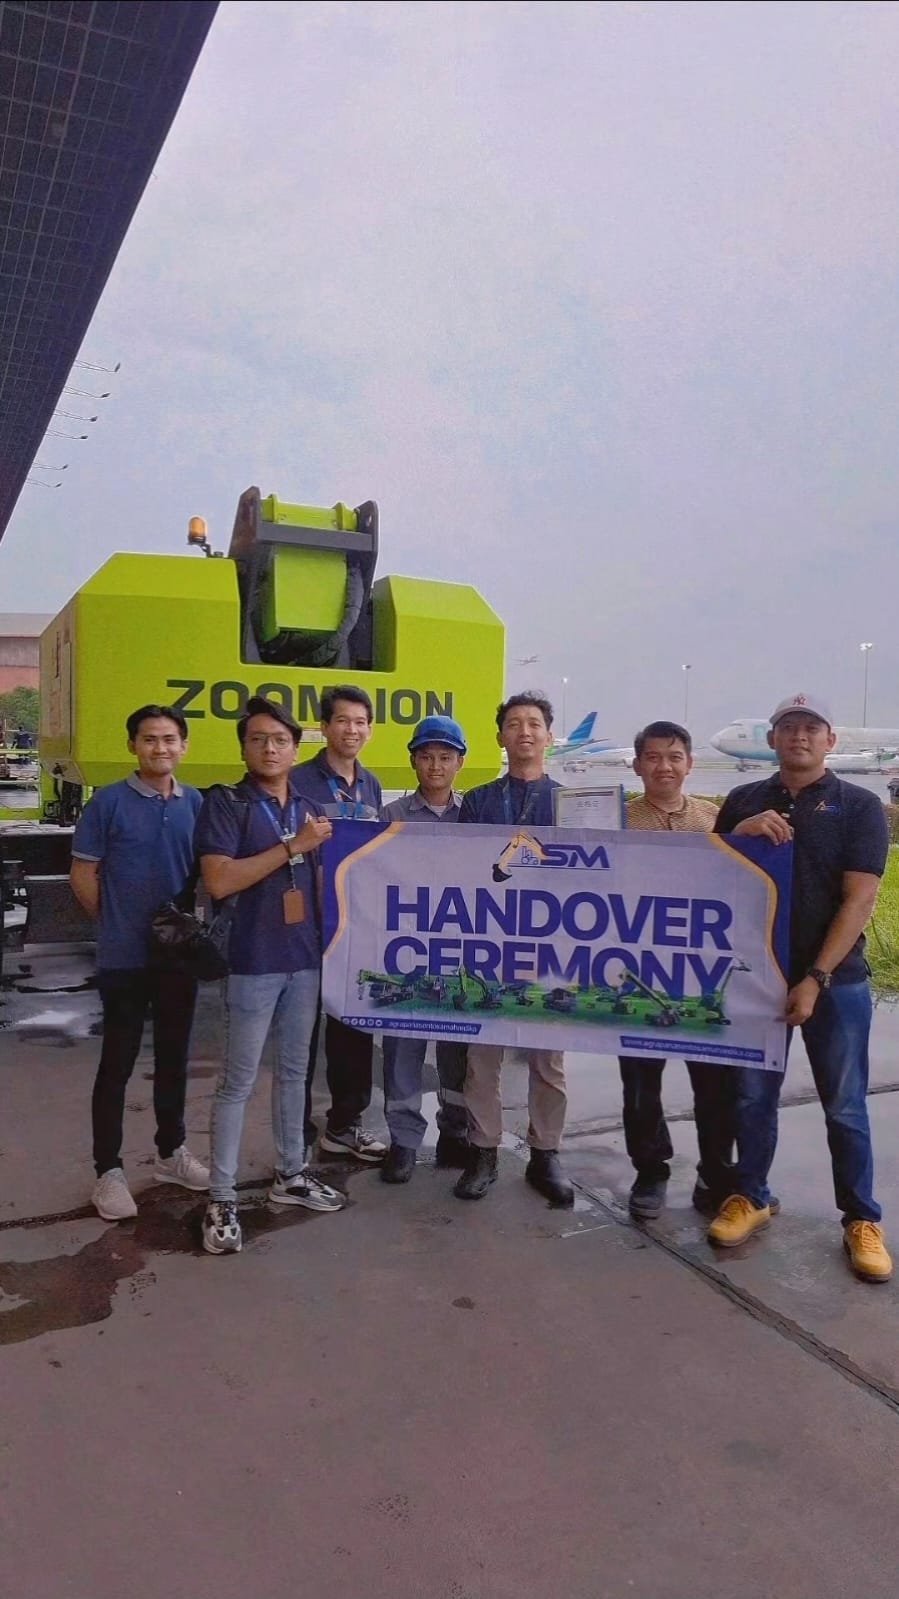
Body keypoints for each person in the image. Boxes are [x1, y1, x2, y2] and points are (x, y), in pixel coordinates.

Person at [710, 693, 892, 1283]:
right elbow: (712, 876)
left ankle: (861, 1218)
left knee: (845, 1105)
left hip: (836, 984)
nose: (800, 736)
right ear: (772, 739)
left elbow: (860, 899)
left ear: (830, 740)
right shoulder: (744, 799)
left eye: (811, 727)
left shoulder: (859, 806)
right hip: (757, 978)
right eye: (789, 727)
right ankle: (751, 1194)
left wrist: (815, 978)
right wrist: (738, 834)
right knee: (750, 1097)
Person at [196, 696, 342, 1256]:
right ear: (244, 748)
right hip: (252, 962)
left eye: (280, 740)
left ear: (296, 748)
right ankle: (222, 1196)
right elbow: (220, 881)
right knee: (237, 1082)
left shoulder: (310, 806)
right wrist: (293, 847)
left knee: (294, 1074)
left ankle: (292, 1174)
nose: (270, 748)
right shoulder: (227, 803)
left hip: (303, 960)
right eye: (258, 739)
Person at [70, 704, 209, 1222]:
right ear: (133, 745)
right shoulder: (107, 803)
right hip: (124, 958)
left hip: (177, 958)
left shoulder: (196, 803)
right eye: (150, 739)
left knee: (174, 1059)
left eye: (170, 739)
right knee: (117, 1064)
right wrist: (113, 924)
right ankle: (108, 1171)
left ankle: (171, 1153)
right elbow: (83, 875)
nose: (160, 748)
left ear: (184, 746)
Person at [454, 692, 573, 1208]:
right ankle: (483, 1150)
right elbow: (461, 870)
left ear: (549, 735)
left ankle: (546, 1153)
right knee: (483, 1056)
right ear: (500, 736)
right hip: (490, 945)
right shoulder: (478, 801)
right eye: (514, 724)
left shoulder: (572, 801)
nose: (524, 731)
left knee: (549, 1059)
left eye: (534, 723)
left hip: (552, 949)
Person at [619, 720, 738, 1221]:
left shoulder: (719, 821)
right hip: (637, 974)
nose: (663, 767)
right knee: (640, 1085)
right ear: (637, 765)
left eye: (674, 757)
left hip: (702, 977)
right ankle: (650, 1169)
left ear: (690, 763)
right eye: (652, 757)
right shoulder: (616, 822)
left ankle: (716, 1173)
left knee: (714, 1083)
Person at [293, 685, 387, 1164]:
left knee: (353, 1032)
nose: (352, 729)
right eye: (343, 720)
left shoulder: (371, 785)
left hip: (354, 928)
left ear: (370, 729)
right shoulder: (298, 781)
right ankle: (295, 1135)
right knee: (300, 1037)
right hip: (307, 928)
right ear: (325, 726)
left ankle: (344, 1126)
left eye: (361, 722)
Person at [379, 715, 471, 1182]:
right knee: (402, 1046)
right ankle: (404, 1141)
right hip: (406, 952)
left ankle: (455, 1132)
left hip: (461, 953)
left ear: (460, 762)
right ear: (413, 760)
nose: (436, 766)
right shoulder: (391, 816)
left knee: (458, 1050)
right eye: (427, 756)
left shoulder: (475, 816)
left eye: (445, 757)